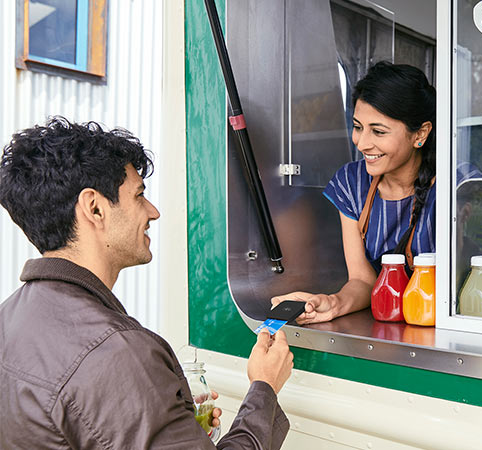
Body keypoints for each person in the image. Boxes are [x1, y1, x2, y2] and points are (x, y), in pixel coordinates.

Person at [0, 117, 293, 449]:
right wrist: (264, 388)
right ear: (94, 208)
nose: (153, 212)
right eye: (139, 196)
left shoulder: (9, 320)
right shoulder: (117, 355)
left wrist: (171, 419)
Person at [271, 62, 437, 324]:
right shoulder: (351, 182)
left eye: (378, 131)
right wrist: (332, 303)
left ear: (420, 133)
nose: (362, 142)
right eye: (358, 127)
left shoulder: (453, 187)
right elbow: (361, 279)